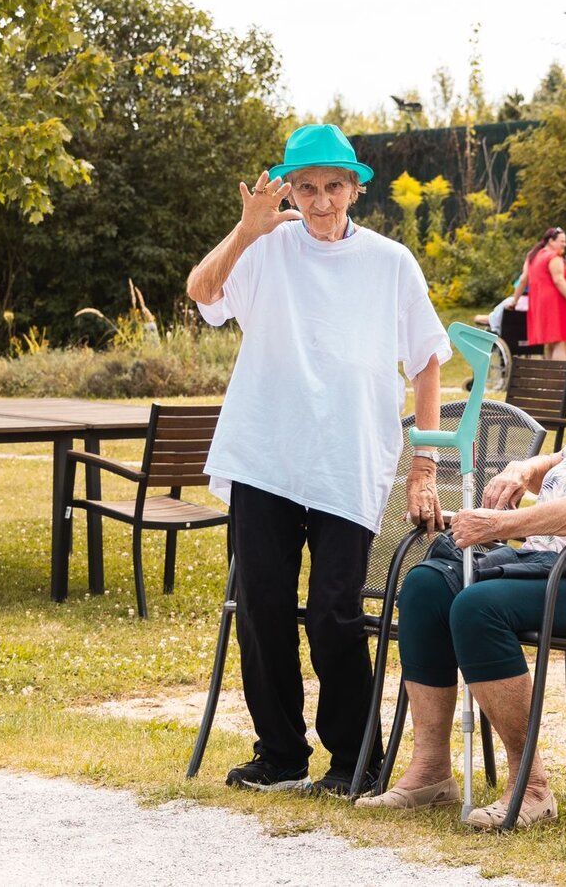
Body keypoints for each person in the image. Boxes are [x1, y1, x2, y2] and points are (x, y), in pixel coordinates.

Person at [186, 123, 451, 796]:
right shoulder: (264, 246)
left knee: (335, 611)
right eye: (306, 187)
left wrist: (424, 468)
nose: (321, 200)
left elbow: (426, 362)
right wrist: (245, 229)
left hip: (347, 460)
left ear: (356, 189)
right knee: (262, 606)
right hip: (264, 455)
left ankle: (356, 758)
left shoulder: (391, 262)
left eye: (334, 185)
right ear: (289, 191)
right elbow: (202, 292)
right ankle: (280, 753)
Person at [356, 306, 566, 829]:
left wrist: (501, 524)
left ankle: (531, 786)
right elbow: (559, 465)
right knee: (425, 586)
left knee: (479, 606)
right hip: (546, 567)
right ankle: (431, 771)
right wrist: (523, 468)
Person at [514, 227, 566, 360]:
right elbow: (559, 281)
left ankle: (550, 373)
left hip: (539, 303)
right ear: (551, 241)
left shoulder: (533, 256)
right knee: (559, 343)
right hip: (556, 303)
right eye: (562, 241)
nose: (565, 244)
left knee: (552, 343)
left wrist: (514, 301)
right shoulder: (553, 256)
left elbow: (523, 280)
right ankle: (559, 373)